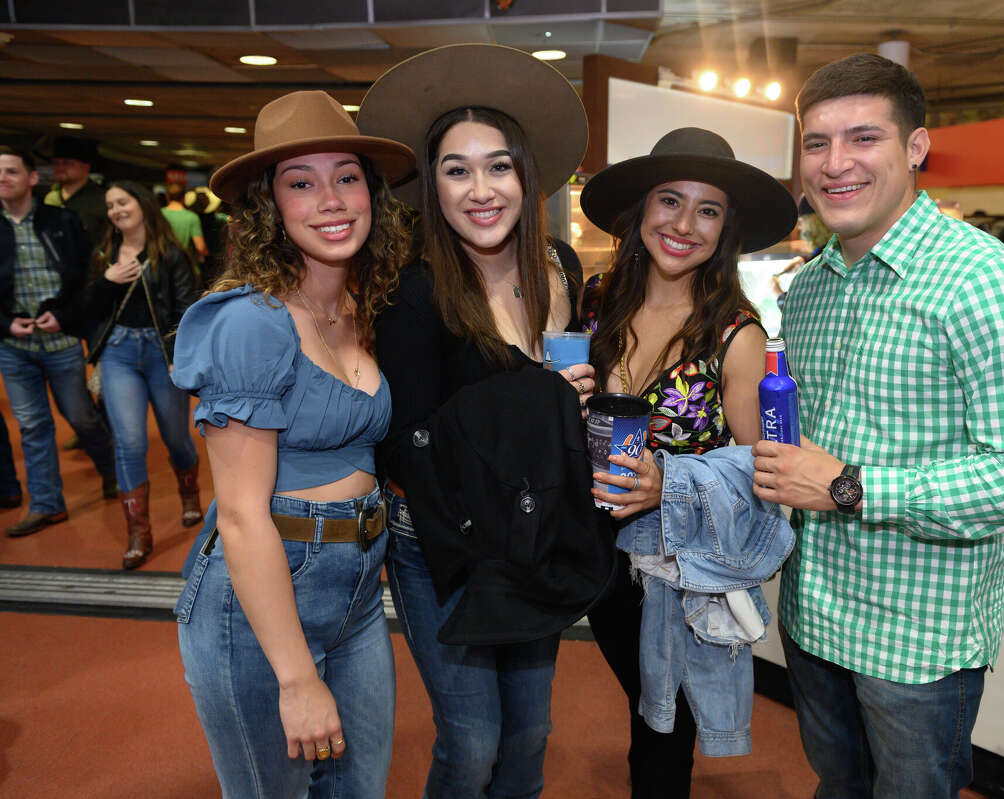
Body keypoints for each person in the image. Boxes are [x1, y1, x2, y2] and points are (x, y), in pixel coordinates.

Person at [750, 53, 1004, 798]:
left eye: (863, 138)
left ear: (916, 148)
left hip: (916, 642)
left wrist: (849, 485)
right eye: (816, 143)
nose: (835, 163)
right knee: (838, 785)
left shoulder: (988, 284)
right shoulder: (809, 289)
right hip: (813, 618)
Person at [357, 43, 594, 799]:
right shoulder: (416, 290)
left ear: (527, 175)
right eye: (457, 169)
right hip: (439, 538)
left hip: (530, 526)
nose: (481, 189)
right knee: (472, 743)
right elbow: (411, 440)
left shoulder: (557, 266)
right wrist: (545, 400)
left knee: (529, 738)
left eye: (499, 165)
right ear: (432, 185)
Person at [170, 90, 416, 796]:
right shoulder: (250, 321)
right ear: (268, 208)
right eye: (300, 183)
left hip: (359, 591)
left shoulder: (359, 300)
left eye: (346, 177)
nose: (331, 200)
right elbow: (242, 515)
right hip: (261, 604)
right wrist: (297, 676)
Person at [577, 126, 797, 796]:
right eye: (669, 201)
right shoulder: (599, 304)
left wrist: (667, 481)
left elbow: (760, 470)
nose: (684, 224)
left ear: (726, 229)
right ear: (641, 209)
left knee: (663, 731)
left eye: (708, 210)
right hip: (593, 553)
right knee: (647, 710)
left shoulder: (736, 333)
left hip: (676, 565)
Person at [0, 145, 116, 537]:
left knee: (82, 418)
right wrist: (4, 324)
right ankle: (47, 505)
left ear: (33, 178)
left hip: (61, 339)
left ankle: (112, 469)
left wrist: (65, 317)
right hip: (14, 346)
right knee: (32, 425)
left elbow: (85, 276)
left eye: (12, 171)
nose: (3, 178)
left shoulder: (61, 221)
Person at [86, 179, 201, 570]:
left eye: (123, 201)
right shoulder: (105, 253)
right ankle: (139, 532)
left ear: (142, 204)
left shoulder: (169, 254)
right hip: (118, 352)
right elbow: (89, 307)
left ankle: (190, 496)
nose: (116, 210)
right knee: (130, 442)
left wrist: (176, 355)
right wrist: (108, 281)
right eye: (110, 205)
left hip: (159, 352)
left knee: (176, 438)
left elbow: (186, 308)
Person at [42, 136, 108, 248]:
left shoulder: (102, 198)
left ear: (86, 167)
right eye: (56, 163)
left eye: (67, 163)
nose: (59, 167)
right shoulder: (50, 197)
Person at [162, 181, 208, 269]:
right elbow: (200, 247)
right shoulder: (192, 217)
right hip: (186, 266)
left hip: (163, 265)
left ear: (167, 196)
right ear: (184, 198)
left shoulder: (159, 214)